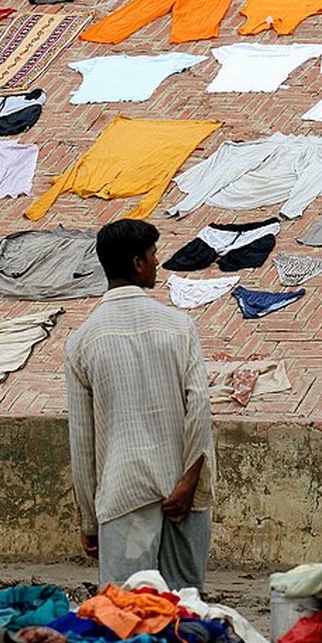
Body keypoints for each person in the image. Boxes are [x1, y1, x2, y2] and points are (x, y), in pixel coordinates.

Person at [65, 218, 215, 591]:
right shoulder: (179, 327)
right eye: (152, 255)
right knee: (187, 615)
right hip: (182, 496)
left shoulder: (82, 341)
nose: (156, 262)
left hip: (122, 498)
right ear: (136, 263)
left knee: (127, 619)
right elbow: (199, 408)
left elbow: (82, 443)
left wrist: (88, 521)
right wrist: (188, 483)